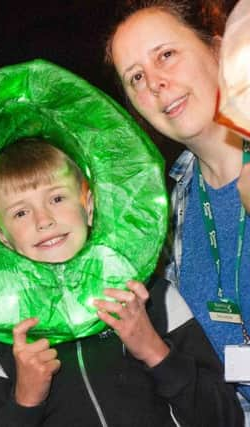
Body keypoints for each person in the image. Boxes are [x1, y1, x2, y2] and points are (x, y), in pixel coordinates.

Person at [0, 138, 242, 426]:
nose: (43, 220)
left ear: (88, 206)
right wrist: (25, 402)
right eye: (20, 212)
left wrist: (155, 351)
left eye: (56, 198)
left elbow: (226, 417)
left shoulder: (152, 297)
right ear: (2, 237)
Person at [104, 0, 250, 421]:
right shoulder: (161, 216)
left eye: (166, 55)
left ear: (218, 49)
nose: (155, 83)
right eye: (136, 78)